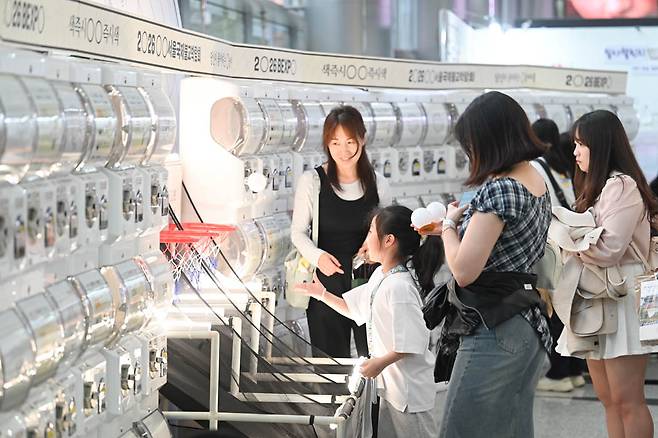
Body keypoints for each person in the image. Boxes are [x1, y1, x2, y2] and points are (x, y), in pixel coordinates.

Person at [419, 91, 552, 438]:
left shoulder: (501, 190)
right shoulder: (535, 179)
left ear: (490, 141)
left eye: (472, 146)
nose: (469, 154)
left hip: (495, 327)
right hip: (525, 322)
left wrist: (448, 226)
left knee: (459, 431)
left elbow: (464, 271)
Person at [296, 205, 443, 438]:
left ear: (389, 240)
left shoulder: (400, 287)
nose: (365, 241)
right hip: (390, 390)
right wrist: (322, 294)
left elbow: (412, 342)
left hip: (408, 394)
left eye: (371, 233)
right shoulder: (381, 276)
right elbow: (357, 309)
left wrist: (379, 363)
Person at [557, 109, 658, 438]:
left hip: (623, 296)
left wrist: (571, 242)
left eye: (580, 144)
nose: (575, 153)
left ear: (599, 146)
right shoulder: (599, 188)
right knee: (609, 400)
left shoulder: (621, 185)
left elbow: (608, 249)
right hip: (601, 296)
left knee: (627, 400)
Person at [291, 105, 391, 358]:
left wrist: (374, 247)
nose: (343, 151)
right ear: (327, 143)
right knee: (329, 364)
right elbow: (298, 233)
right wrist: (318, 258)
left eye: (349, 141)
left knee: (374, 359)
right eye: (335, 143)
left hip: (369, 283)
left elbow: (389, 233)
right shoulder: (312, 181)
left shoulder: (379, 184)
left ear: (362, 139)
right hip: (326, 282)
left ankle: (372, 401)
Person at [529, 119, 587, 393]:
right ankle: (574, 371)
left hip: (549, 248)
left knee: (553, 311)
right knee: (569, 311)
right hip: (569, 246)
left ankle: (557, 375)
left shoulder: (535, 167)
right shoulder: (561, 166)